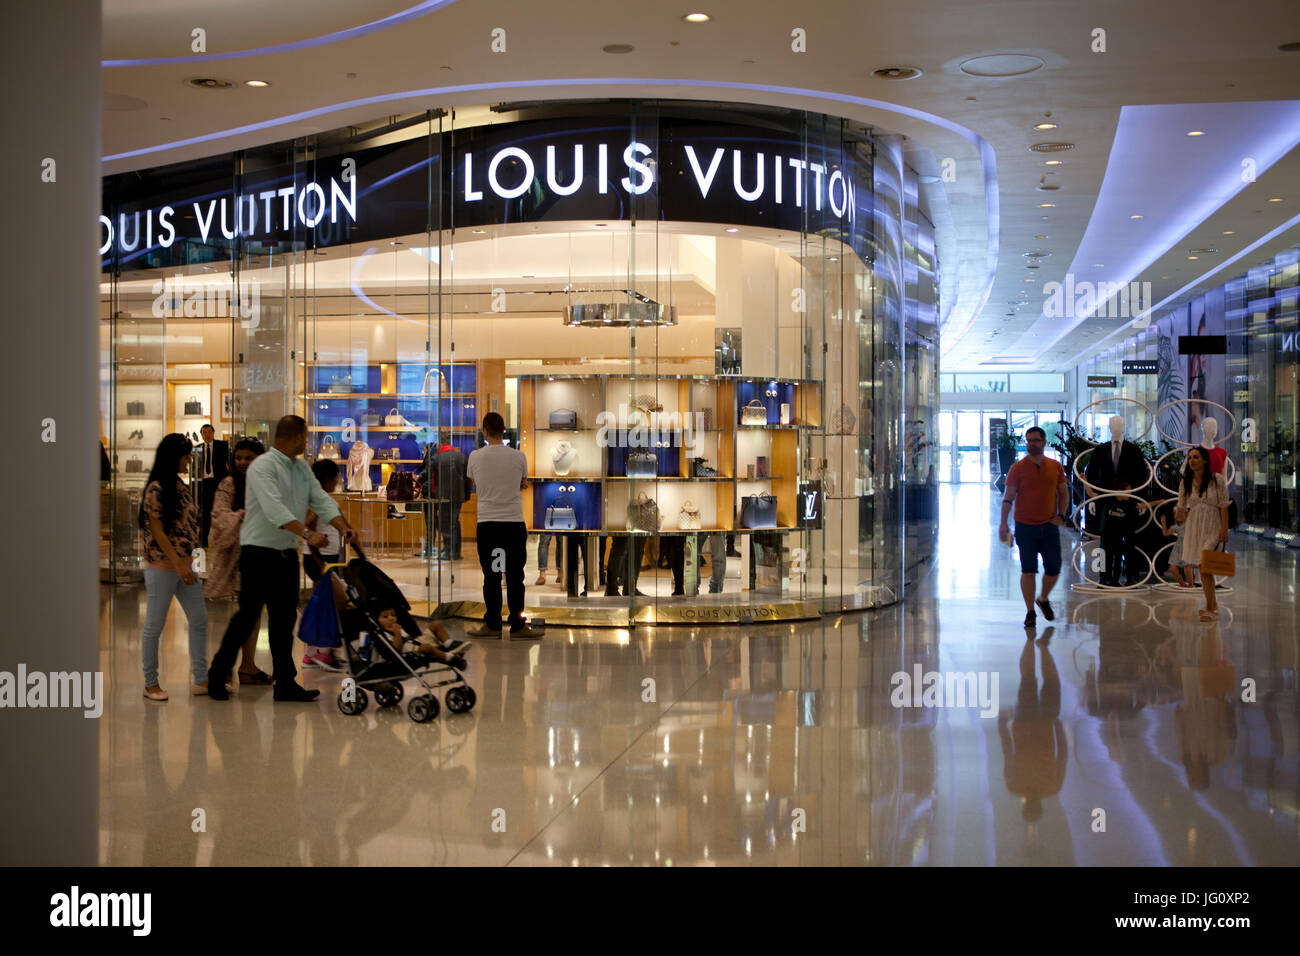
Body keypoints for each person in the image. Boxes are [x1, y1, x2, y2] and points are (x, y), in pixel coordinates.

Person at [206, 415, 356, 702]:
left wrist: (343, 526)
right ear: (297, 437)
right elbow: (273, 508)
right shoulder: (263, 467)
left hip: (286, 556)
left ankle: (285, 683)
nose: (307, 440)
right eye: (306, 436)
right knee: (247, 617)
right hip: (258, 554)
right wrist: (306, 534)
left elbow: (320, 499)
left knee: (283, 621)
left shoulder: (301, 468)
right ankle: (218, 672)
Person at [138, 433, 210, 700]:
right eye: (185, 456)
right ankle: (150, 682)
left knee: (199, 619)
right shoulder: (157, 488)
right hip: (163, 566)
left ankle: (201, 678)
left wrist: (189, 562)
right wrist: (177, 562)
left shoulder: (179, 485)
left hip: (185, 565)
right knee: (154, 625)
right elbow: (156, 529)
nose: (188, 461)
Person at [203, 437, 272, 685]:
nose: (243, 462)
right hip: (237, 553)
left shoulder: (265, 482)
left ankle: (247, 665)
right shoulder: (229, 483)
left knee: (251, 614)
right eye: (239, 457)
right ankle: (228, 666)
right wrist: (242, 516)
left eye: (248, 458)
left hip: (259, 553)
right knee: (245, 614)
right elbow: (219, 516)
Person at [465, 412, 538, 639]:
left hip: (488, 525)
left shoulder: (475, 457)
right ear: (504, 430)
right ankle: (518, 625)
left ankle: (493, 624)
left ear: (484, 431)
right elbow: (522, 483)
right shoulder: (519, 457)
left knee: (492, 575)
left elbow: (476, 483)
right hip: (513, 523)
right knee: (516, 575)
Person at [999, 426, 1070, 629]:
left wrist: (1061, 515)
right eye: (1028, 441)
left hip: (1048, 525)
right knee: (1028, 569)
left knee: (1054, 568)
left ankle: (1044, 598)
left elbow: (1063, 493)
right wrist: (1003, 523)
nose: (1031, 444)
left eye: (1035, 441)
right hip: (1025, 526)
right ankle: (1030, 611)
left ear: (1044, 442)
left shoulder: (1055, 466)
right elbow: (1008, 497)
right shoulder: (1017, 468)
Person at [301, 458, 347, 671]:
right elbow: (309, 529)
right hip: (321, 560)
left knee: (326, 602)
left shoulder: (321, 498)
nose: (337, 481)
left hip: (326, 559)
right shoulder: (317, 500)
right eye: (336, 477)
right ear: (328, 479)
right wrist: (319, 562)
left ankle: (321, 650)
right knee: (330, 602)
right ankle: (317, 651)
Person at [1177, 446, 1231, 622]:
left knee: (1205, 564)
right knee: (1203, 566)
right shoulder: (1186, 481)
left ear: (1205, 460)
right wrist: (1180, 515)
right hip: (1195, 525)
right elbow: (1182, 506)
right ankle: (1211, 604)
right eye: (1190, 457)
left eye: (1196, 457)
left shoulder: (1217, 480)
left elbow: (1224, 505)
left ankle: (1211, 606)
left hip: (1213, 525)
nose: (1192, 460)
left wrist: (1224, 528)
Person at [194, 424, 229, 546]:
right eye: (204, 432)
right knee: (205, 512)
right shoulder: (197, 449)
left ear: (213, 433)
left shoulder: (222, 446)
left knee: (221, 510)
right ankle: (203, 540)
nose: (207, 434)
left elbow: (228, 463)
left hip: (218, 482)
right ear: (201, 435)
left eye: (209, 432)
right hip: (204, 483)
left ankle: (224, 540)